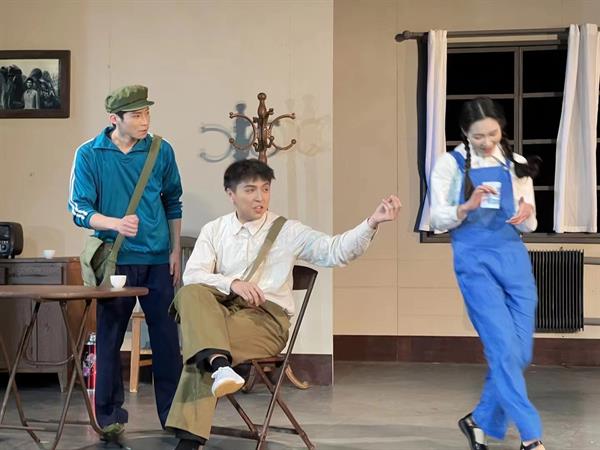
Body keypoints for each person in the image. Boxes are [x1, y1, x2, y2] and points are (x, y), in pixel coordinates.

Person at [165, 159, 401, 450]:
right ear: (230, 194)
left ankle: (191, 435)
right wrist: (233, 283)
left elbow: (334, 251)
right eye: (250, 190)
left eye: (265, 189)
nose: (260, 197)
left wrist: (372, 222)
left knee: (203, 347)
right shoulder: (215, 230)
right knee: (190, 294)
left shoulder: (287, 231)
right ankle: (220, 364)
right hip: (223, 313)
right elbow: (192, 274)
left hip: (265, 321)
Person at [68, 85, 183, 442]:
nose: (144, 120)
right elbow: (78, 209)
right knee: (109, 337)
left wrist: (175, 251)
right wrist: (115, 223)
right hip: (115, 260)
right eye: (136, 115)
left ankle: (174, 416)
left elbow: (173, 201)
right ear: (114, 118)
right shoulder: (90, 153)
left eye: (147, 113)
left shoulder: (161, 150)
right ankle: (108, 418)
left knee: (167, 341)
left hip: (157, 260)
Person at [430, 97, 545, 450]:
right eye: (478, 136)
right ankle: (531, 437)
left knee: (520, 354)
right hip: (475, 263)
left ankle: (478, 420)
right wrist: (466, 206)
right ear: (464, 132)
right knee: (503, 349)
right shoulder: (449, 164)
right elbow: (436, 219)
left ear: (501, 129)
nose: (486, 142)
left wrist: (526, 213)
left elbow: (530, 225)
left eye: (492, 134)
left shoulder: (516, 163)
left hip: (514, 259)